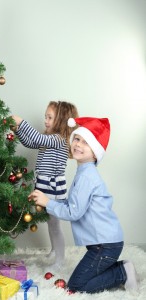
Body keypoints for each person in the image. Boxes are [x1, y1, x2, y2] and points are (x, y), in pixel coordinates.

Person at [28, 116, 139, 294]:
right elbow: (73, 203)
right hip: (105, 243)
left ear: (95, 152)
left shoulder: (87, 176)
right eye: (77, 139)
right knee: (84, 278)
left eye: (86, 142)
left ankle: (121, 272)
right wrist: (49, 200)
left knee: (77, 286)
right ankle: (122, 267)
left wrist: (48, 203)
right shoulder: (84, 172)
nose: (78, 144)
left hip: (105, 245)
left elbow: (74, 212)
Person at [11, 101, 79, 272]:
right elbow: (30, 142)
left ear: (61, 120)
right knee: (51, 223)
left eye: (49, 117)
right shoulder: (49, 139)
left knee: (55, 225)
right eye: (45, 117)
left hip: (53, 189)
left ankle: (61, 259)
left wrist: (21, 122)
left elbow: (37, 138)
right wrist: (17, 130)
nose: (46, 121)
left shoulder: (58, 139)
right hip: (45, 185)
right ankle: (55, 250)